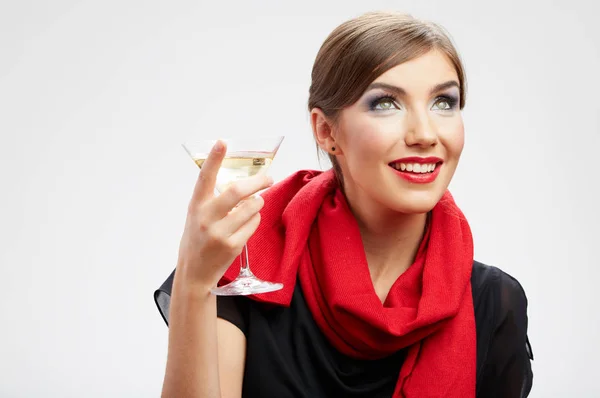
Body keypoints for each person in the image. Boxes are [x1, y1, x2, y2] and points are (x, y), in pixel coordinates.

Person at [154, 11, 534, 398]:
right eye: (386, 103)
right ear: (326, 131)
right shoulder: (246, 270)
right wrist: (195, 280)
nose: (424, 133)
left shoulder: (493, 300)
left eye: (443, 102)